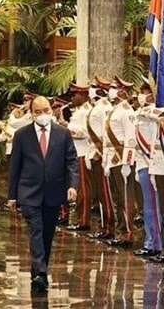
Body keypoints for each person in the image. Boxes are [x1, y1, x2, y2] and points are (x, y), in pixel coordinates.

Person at [7, 96, 78, 292]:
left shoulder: (63, 134)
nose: (43, 115)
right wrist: (12, 196)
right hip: (29, 192)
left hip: (54, 192)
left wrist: (72, 185)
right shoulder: (22, 135)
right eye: (38, 111)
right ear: (32, 113)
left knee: (47, 234)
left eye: (46, 110)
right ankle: (41, 273)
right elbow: (15, 166)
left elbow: (71, 160)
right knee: (36, 231)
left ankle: (38, 270)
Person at [102, 75, 138, 248]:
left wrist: (127, 162)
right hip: (112, 157)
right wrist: (104, 159)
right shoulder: (114, 110)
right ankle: (120, 230)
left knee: (125, 197)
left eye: (115, 88)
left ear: (123, 92)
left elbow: (131, 139)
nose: (111, 91)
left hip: (121, 156)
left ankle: (127, 233)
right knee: (117, 197)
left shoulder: (127, 112)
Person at [133, 81, 162, 257]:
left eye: (146, 91)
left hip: (151, 162)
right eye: (141, 91)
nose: (142, 94)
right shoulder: (140, 113)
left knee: (153, 205)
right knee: (147, 205)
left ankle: (155, 243)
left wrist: (150, 163)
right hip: (142, 162)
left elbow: (154, 141)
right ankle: (150, 240)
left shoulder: (155, 113)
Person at [85, 76, 115, 240]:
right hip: (94, 153)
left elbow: (106, 133)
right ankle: (105, 226)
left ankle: (108, 227)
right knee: (101, 193)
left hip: (101, 155)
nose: (90, 89)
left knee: (105, 194)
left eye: (93, 86)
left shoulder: (104, 108)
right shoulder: (97, 106)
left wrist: (100, 153)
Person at [65, 83, 93, 231]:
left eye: (74, 95)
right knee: (79, 187)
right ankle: (80, 218)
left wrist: (68, 131)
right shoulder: (79, 111)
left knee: (83, 189)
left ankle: (83, 221)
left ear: (82, 96)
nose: (72, 98)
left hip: (83, 152)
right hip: (76, 152)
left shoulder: (86, 111)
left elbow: (85, 133)